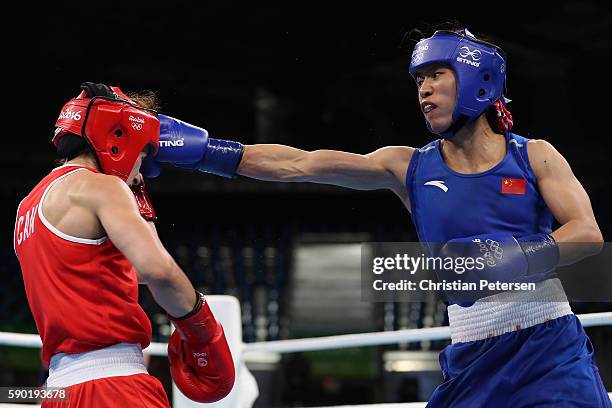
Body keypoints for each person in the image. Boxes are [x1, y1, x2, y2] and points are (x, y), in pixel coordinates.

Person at [143, 27, 610, 405]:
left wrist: (512, 257)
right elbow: (299, 164)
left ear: (477, 80)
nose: (423, 90)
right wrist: (208, 152)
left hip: (549, 346)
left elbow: (587, 234)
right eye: (419, 80)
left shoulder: (536, 156)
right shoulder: (407, 165)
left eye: (436, 75)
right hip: (472, 354)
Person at [13, 83, 235, 407]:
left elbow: (129, 271)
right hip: (115, 388)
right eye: (143, 155)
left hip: (58, 391)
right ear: (119, 140)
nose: (140, 168)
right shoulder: (101, 188)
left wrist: (139, 200)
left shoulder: (26, 207)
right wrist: (201, 333)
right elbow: (158, 271)